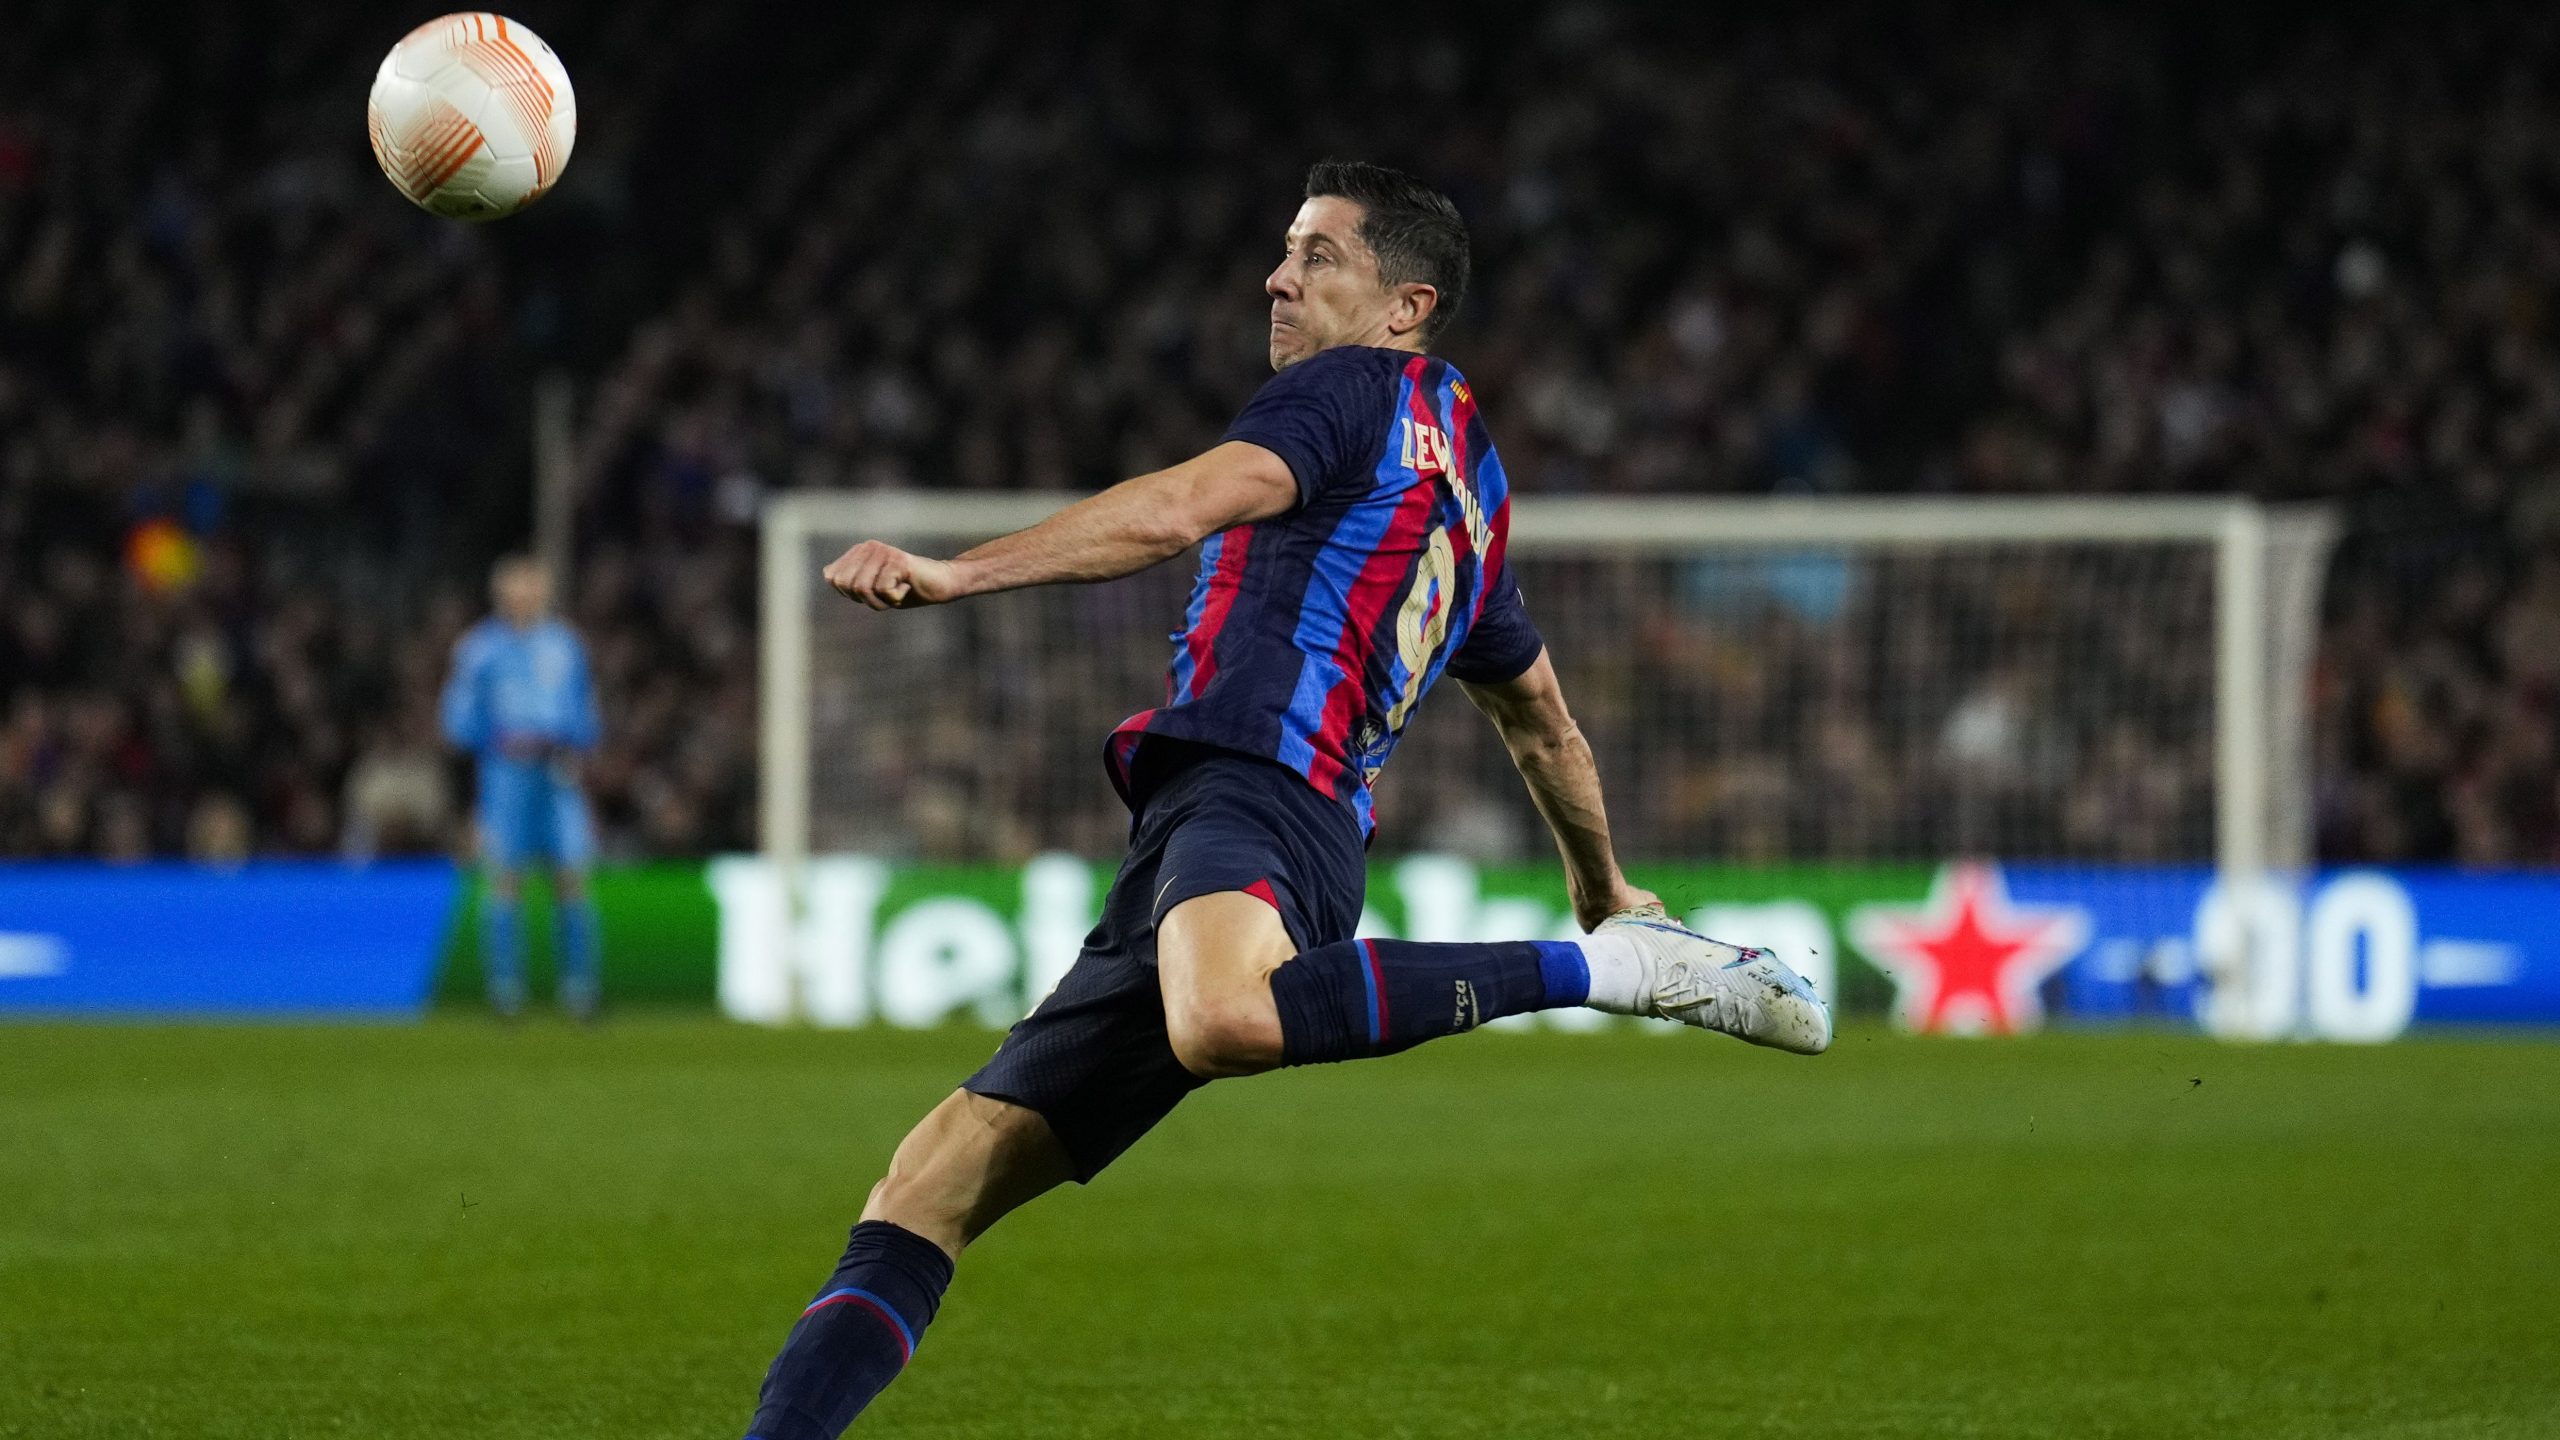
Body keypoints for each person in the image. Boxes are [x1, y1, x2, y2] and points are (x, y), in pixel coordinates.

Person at [743, 161, 1830, 1439]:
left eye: (1319, 255)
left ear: (1404, 306)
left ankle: (1603, 980)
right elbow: (1545, 725)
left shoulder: (1351, 391)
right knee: (926, 1186)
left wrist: (955, 573)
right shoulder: (1472, 497)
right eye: (1283, 249)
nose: (1278, 276)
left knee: (1221, 1021)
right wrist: (1603, 888)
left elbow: (1184, 506)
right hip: (1219, 820)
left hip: (1270, 791)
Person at [439, 555, 604, 1020]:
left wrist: (575, 741)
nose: (525, 596)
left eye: (532, 588)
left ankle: (580, 990)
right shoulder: (478, 649)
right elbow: (456, 719)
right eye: (517, 588)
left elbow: (585, 711)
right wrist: (494, 739)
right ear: (501, 594)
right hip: (506, 775)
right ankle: (505, 991)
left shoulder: (565, 644)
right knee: (505, 880)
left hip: (557, 774)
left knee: (572, 877)